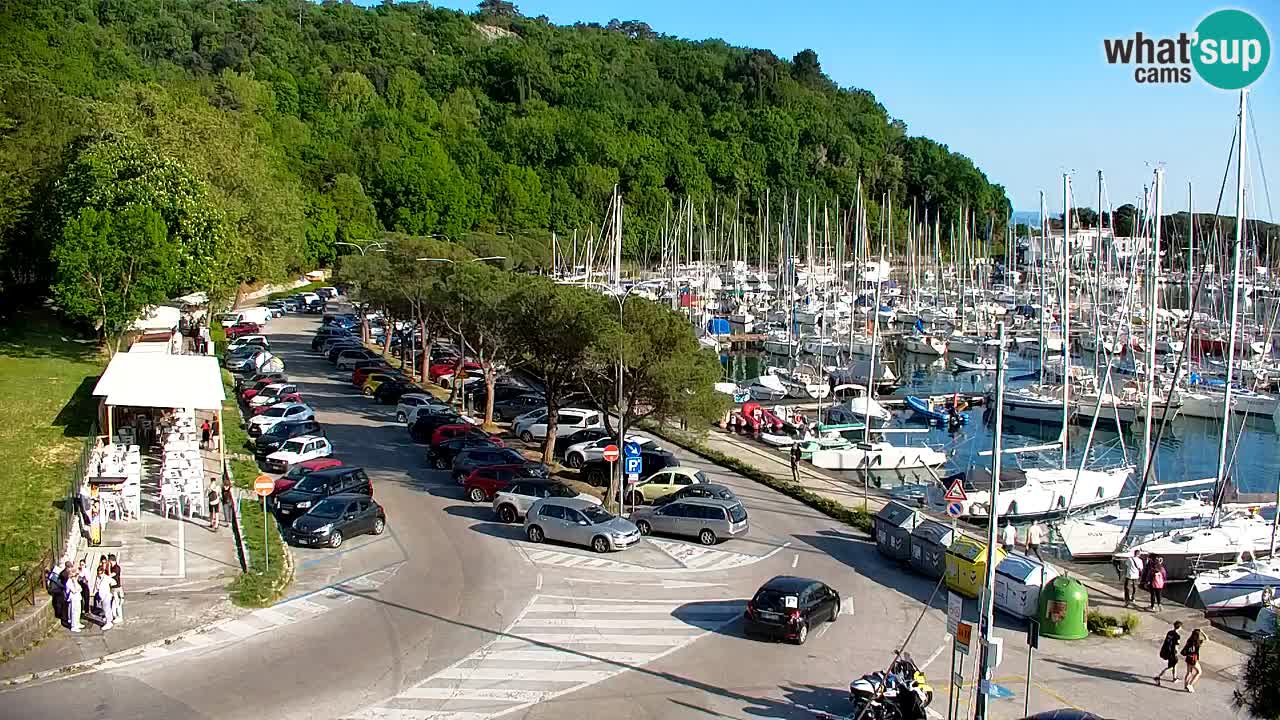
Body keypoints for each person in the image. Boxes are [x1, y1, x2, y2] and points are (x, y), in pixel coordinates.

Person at [1155, 620, 1182, 685]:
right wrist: (1177, 652)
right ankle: (1159, 676)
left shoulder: (1169, 632)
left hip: (1167, 651)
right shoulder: (1177, 636)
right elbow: (1176, 646)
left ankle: (1174, 678)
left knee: (1174, 665)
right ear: (1179, 627)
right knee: (1171, 666)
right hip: (1172, 653)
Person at [1182, 628, 1206, 692]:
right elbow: (1207, 639)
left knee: (1189, 672)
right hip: (1194, 659)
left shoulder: (1189, 640)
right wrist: (1202, 632)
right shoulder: (1198, 642)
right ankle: (1190, 685)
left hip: (1188, 658)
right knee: (1199, 672)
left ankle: (1185, 685)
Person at [94, 566, 115, 631]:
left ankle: (108, 623)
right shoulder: (98, 578)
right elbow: (97, 585)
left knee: (107, 609)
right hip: (102, 596)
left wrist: (110, 589)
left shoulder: (106, 578)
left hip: (106, 595)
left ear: (103, 572)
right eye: (98, 573)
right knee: (104, 608)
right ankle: (109, 618)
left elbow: (114, 582)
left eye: (100, 573)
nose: (99, 574)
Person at [108, 554, 123, 624]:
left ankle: (120, 617)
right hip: (113, 588)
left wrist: (108, 568)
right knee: (113, 604)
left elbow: (111, 575)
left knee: (117, 604)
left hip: (117, 588)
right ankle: (114, 616)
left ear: (111, 560)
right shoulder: (112, 567)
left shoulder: (116, 568)